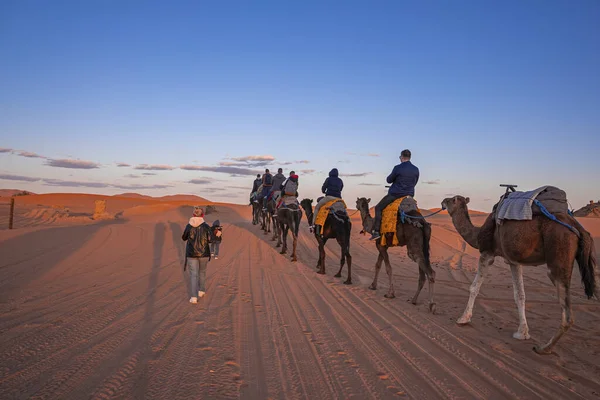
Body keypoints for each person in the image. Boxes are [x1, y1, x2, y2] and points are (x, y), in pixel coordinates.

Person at [370, 149, 419, 240]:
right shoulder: (416, 169)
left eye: (400, 157)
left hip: (396, 194)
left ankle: (376, 232)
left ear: (402, 157)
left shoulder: (398, 168)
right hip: (409, 195)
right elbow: (414, 182)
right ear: (409, 157)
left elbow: (389, 180)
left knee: (378, 208)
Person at [182, 206, 212, 303]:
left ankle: (194, 297)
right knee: (202, 272)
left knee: (193, 275)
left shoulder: (188, 226)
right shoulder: (206, 226)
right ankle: (201, 291)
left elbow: (184, 238)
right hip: (204, 254)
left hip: (191, 254)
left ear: (193, 215)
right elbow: (210, 239)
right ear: (202, 215)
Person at [311, 168, 344, 236]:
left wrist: (324, 191)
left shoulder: (328, 179)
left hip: (329, 197)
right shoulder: (340, 180)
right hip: (338, 199)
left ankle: (313, 224)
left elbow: (323, 188)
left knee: (317, 207)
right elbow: (341, 188)